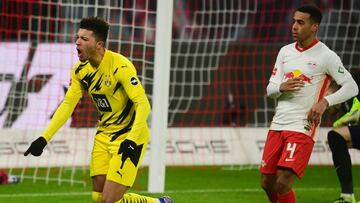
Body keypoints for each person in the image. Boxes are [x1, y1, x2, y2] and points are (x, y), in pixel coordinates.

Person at [23, 17, 172, 203]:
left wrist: (132, 140)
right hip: (103, 135)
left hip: (129, 137)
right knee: (99, 197)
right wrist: (44, 138)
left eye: (84, 39)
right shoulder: (80, 71)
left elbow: (143, 104)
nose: (77, 42)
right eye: (77, 37)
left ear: (99, 44)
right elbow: (68, 104)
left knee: (109, 201)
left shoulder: (121, 66)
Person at [260, 5, 358, 203]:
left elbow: (351, 87)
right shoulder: (285, 52)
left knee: (283, 182)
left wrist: (324, 102)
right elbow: (270, 89)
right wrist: (282, 87)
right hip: (278, 123)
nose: (294, 26)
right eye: (294, 21)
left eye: (301, 22)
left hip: (303, 125)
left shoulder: (326, 56)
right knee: (267, 182)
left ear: (314, 27)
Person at [328, 72, 360, 203]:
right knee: (336, 137)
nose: (326, 105)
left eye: (325, 96)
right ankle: (347, 196)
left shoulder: (353, 81)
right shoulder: (346, 104)